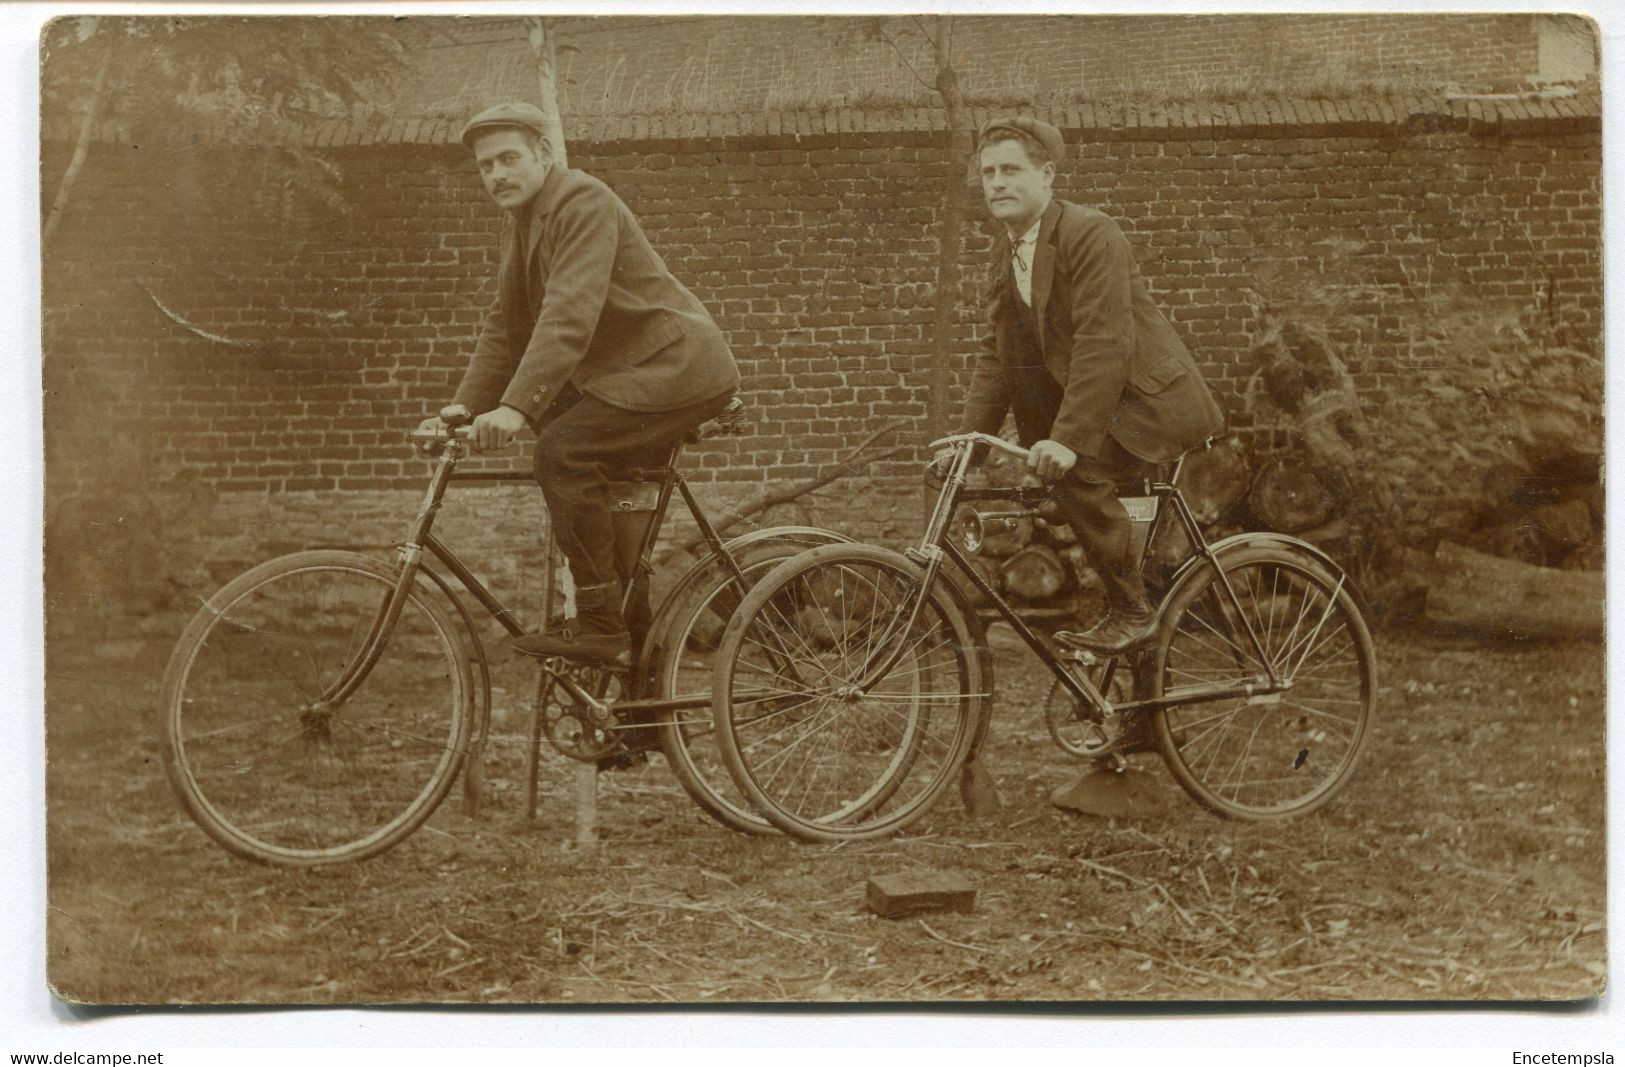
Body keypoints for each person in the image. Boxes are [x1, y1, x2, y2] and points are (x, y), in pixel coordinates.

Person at [439, 102, 739, 664]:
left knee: (563, 449)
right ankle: (637, 720)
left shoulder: (583, 201)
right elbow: (505, 328)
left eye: (509, 158)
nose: (497, 174)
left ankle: (599, 622)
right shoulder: (524, 221)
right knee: (623, 550)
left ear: (544, 155)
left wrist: (516, 410)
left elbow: (567, 315)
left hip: (674, 371)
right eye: (486, 166)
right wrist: (461, 407)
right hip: (633, 379)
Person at [940, 115, 1225, 655]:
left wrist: (1067, 439)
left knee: (1073, 473)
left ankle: (1130, 608)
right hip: (1109, 411)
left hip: (1148, 407)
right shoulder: (1005, 253)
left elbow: (1104, 340)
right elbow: (996, 356)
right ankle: (1141, 700)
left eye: (1011, 170)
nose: (997, 183)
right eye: (988, 172)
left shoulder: (1090, 231)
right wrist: (967, 443)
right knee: (1064, 484)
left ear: (1047, 175)